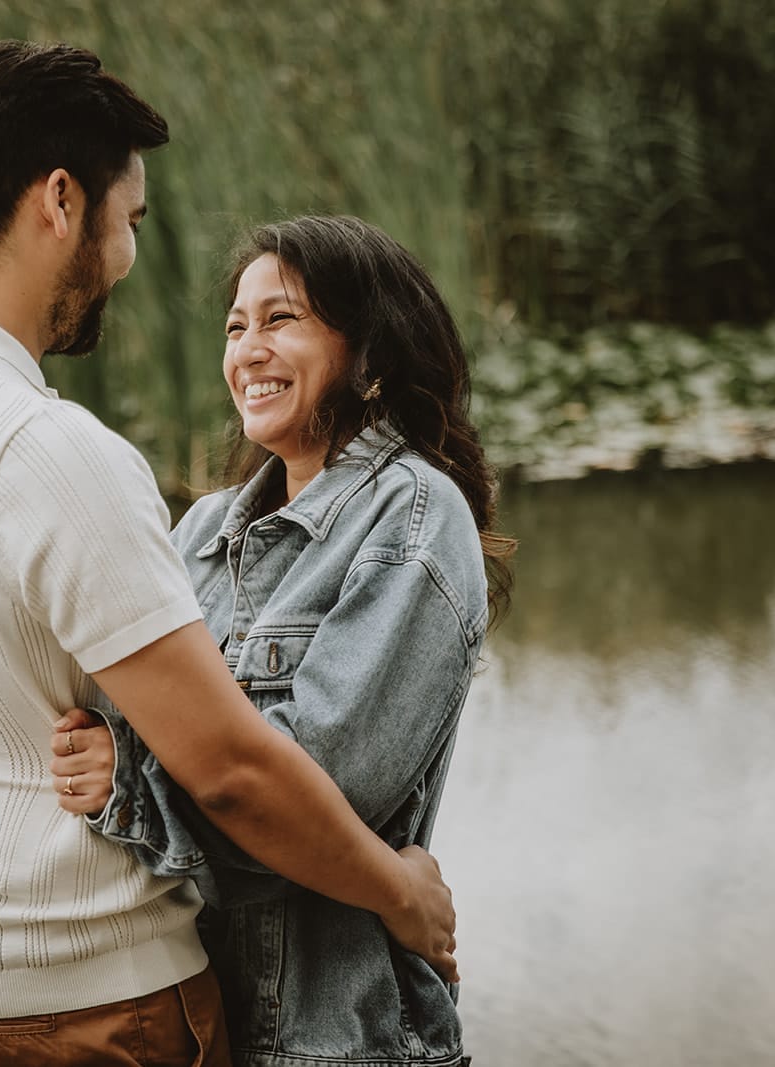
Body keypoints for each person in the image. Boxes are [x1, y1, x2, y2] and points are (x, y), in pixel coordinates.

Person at [0, 41, 458, 1067]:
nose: (125, 258)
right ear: (60, 202)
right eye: (129, 221)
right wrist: (402, 892)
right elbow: (235, 774)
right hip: (79, 991)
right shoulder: (53, 450)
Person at [51, 216, 513, 1066]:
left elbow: (314, 794)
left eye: (281, 319)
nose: (248, 349)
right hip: (190, 1020)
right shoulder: (198, 533)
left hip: (338, 1040)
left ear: (369, 353)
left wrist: (129, 781)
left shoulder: (414, 515)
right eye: (237, 325)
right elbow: (91, 697)